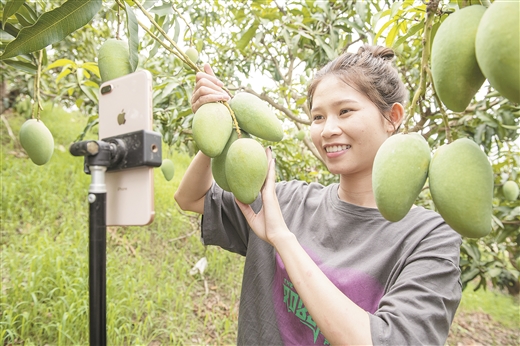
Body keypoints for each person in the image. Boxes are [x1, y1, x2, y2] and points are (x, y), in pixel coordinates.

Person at [175, 45, 462, 345]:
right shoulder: (286, 200)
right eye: (317, 117)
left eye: (345, 111)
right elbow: (191, 198)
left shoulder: (429, 238)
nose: (328, 130)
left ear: (393, 117)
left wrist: (282, 239)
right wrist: (218, 119)